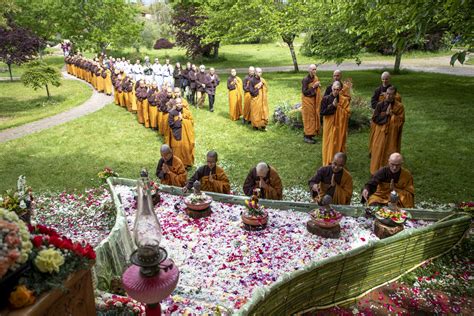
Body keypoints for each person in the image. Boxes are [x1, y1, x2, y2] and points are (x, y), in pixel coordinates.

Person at [369, 86, 405, 174]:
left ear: (395, 95)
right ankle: (375, 171)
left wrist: (392, 115)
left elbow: (401, 121)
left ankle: (389, 170)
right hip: (380, 132)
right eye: (387, 94)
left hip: (391, 135)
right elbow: (375, 118)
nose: (388, 96)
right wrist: (385, 115)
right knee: (378, 151)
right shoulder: (380, 105)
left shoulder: (399, 106)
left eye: (391, 94)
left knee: (390, 150)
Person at [320, 81, 351, 166]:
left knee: (337, 143)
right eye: (334, 89)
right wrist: (332, 106)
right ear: (331, 88)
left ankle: (338, 161)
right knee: (328, 143)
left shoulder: (344, 100)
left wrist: (338, 108)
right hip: (329, 125)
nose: (335, 91)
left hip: (339, 127)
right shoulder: (325, 98)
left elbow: (347, 113)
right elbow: (322, 112)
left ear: (340, 89)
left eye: (337, 89)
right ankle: (327, 161)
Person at [168, 98, 195, 168]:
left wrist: (183, 120)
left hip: (186, 134)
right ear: (175, 104)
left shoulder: (186, 112)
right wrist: (178, 120)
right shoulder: (172, 113)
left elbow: (192, 122)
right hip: (176, 133)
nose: (179, 104)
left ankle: (186, 163)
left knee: (186, 147)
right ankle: (178, 164)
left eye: (180, 103)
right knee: (177, 149)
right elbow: (171, 124)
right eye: (177, 103)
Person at [301, 64, 322, 144]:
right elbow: (305, 92)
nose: (314, 71)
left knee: (313, 116)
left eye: (315, 69)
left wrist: (318, 86)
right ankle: (307, 136)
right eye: (312, 69)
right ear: (309, 70)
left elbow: (316, 87)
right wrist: (314, 86)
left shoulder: (315, 78)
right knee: (309, 118)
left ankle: (311, 134)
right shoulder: (305, 80)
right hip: (307, 101)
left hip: (313, 100)